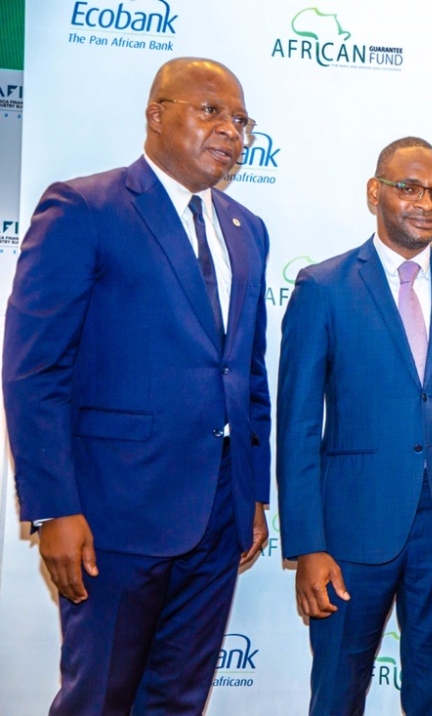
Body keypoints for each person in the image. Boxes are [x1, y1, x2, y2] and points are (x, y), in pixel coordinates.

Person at [2, 57, 272, 714]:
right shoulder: (83, 207)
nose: (230, 131)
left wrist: (253, 494)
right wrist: (51, 509)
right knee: (98, 698)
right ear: (156, 113)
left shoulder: (247, 229)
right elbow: (33, 368)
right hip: (109, 518)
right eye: (210, 111)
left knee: (178, 701)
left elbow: (248, 370)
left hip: (217, 517)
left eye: (240, 119)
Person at [276, 136, 432, 715]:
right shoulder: (323, 287)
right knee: (336, 692)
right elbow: (298, 423)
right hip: (349, 530)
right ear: (374, 192)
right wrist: (307, 543)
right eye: (409, 188)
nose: (426, 203)